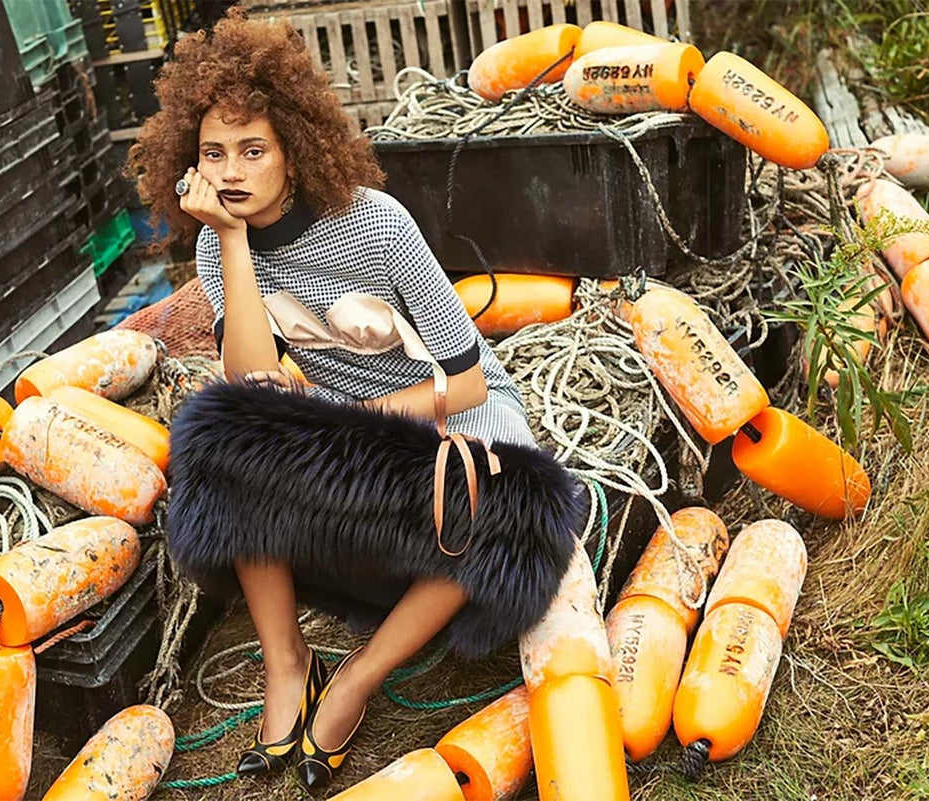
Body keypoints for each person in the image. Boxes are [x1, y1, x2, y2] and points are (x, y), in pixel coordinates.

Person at [131, 10, 573, 790]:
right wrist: (231, 242)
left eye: (253, 150)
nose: (232, 171)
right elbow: (252, 385)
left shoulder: (377, 226)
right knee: (224, 433)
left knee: (512, 504)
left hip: (455, 413)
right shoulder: (214, 242)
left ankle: (357, 678)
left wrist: (360, 424)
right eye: (214, 153)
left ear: (294, 151)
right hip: (353, 436)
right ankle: (288, 664)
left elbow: (468, 378)